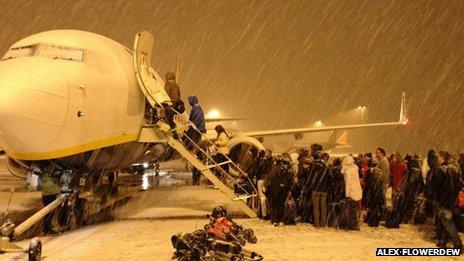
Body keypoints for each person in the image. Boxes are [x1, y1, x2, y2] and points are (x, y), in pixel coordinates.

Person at [434, 151, 463, 250]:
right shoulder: (456, 169)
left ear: (442, 157)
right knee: (445, 221)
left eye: (438, 156)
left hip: (445, 200)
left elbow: (440, 188)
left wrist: (439, 199)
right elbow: (459, 185)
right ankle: (443, 241)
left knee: (447, 222)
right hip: (453, 200)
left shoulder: (443, 169)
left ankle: (458, 243)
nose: (437, 158)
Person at [264, 156, 294, 226]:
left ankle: (274, 220)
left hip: (273, 190)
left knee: (274, 206)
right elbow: (290, 182)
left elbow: (269, 179)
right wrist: (288, 189)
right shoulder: (288, 171)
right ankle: (280, 220)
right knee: (280, 206)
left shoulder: (273, 169)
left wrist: (267, 188)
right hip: (282, 191)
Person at [339, 155, 362, 230]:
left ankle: (350, 224)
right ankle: (355, 224)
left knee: (350, 209)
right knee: (354, 209)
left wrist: (347, 193)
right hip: (357, 190)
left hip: (352, 191)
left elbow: (348, 183)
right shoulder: (355, 168)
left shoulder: (348, 171)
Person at [362, 158, 385, 227]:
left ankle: (371, 220)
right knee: (376, 205)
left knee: (371, 205)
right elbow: (381, 181)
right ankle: (375, 219)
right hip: (378, 191)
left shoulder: (369, 171)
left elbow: (366, 181)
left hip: (371, 191)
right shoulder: (379, 171)